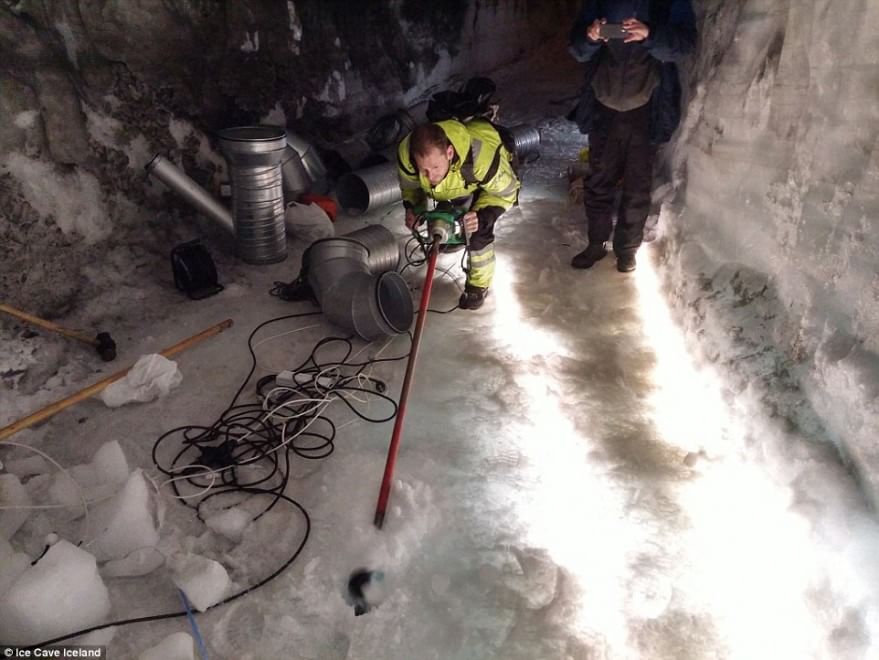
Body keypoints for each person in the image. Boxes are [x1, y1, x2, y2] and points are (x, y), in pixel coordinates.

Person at [568, 0, 696, 272]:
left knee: (637, 186)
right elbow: (577, 50)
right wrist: (590, 37)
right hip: (604, 102)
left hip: (647, 106)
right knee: (599, 180)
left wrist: (649, 34)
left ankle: (626, 250)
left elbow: (685, 44)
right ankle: (596, 244)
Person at [397, 119, 520, 310]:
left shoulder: (481, 160)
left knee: (477, 231)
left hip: (490, 171)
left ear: (449, 153)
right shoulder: (408, 158)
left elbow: (508, 193)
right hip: (459, 179)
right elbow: (411, 188)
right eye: (424, 171)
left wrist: (483, 216)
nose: (430, 178)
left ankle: (478, 286)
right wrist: (413, 208)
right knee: (452, 211)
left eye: (435, 168)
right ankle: (452, 238)